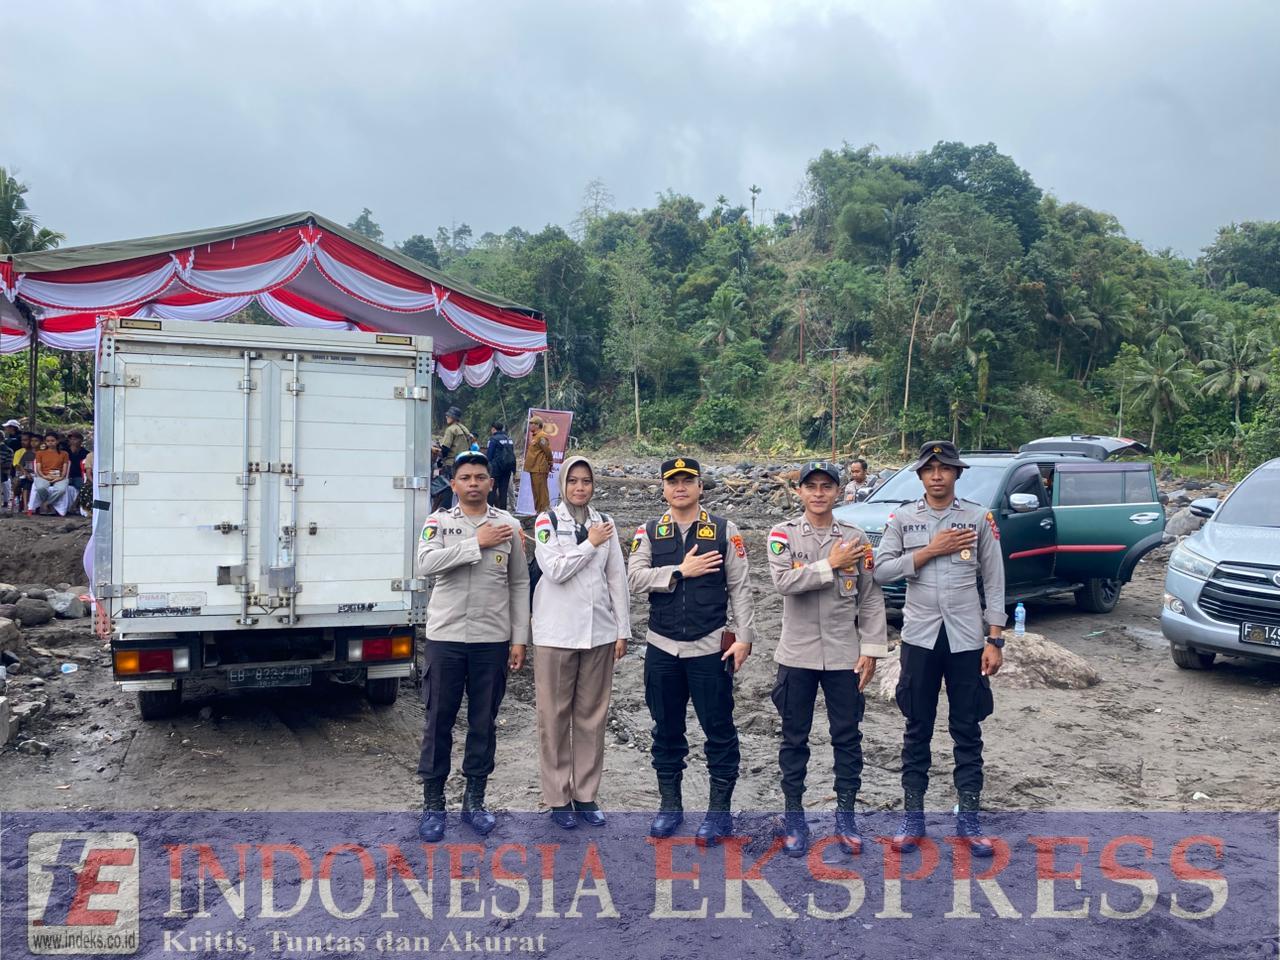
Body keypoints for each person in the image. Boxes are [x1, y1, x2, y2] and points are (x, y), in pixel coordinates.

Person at [873, 440, 1007, 857]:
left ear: (956, 473)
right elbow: (880, 571)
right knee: (917, 727)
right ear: (919, 475)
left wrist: (995, 638)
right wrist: (930, 551)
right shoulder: (903, 518)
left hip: (966, 640)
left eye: (944, 468)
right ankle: (913, 819)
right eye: (929, 469)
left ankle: (969, 819)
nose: (936, 475)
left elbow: (995, 580)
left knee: (967, 728)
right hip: (920, 638)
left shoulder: (978, 518)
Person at [628, 457, 754, 845]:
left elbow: (741, 587)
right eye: (673, 481)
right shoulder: (650, 531)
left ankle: (719, 814)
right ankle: (670, 806)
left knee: (719, 730)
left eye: (687, 480)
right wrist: (681, 570)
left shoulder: (723, 530)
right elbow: (634, 578)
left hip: (709, 647)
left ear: (701, 486)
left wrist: (745, 637)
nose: (680, 487)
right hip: (662, 647)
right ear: (663, 488)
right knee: (665, 730)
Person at [767, 461, 888, 857]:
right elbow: (783, 582)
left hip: (843, 656)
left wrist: (872, 649)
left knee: (848, 738)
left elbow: (870, 597)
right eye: (811, 486)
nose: (818, 493)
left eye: (826, 486)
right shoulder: (783, 534)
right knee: (794, 738)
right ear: (799, 491)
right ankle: (795, 818)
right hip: (797, 654)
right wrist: (829, 565)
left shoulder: (855, 538)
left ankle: (846, 818)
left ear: (838, 491)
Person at [416, 450, 530, 841]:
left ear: (491, 483)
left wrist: (519, 638)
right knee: (438, 722)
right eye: (465, 478)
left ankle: (474, 802)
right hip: (445, 639)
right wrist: (476, 543)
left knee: (483, 723)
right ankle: (434, 805)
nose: (473, 484)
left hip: (491, 641)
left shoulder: (509, 526)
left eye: (480, 477)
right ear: (454, 484)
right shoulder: (439, 522)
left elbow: (519, 583)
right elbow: (425, 565)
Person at [532, 455, 630, 829]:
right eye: (573, 480)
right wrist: (589, 544)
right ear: (562, 485)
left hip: (598, 634)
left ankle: (585, 794)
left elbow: (616, 577)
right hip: (556, 634)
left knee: (591, 717)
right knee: (554, 718)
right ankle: (558, 797)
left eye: (586, 481)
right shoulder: (547, 521)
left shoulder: (605, 523)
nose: (579, 487)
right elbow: (554, 570)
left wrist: (622, 630)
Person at [30, 432, 70, 516]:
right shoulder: (40, 453)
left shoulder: (64, 454)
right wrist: (44, 476)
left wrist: (60, 477)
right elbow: (38, 469)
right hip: (44, 476)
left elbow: (65, 469)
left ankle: (46, 503)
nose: (50, 443)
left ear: (57, 441)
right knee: (40, 488)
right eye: (48, 441)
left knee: (61, 490)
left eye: (52, 441)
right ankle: (49, 505)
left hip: (59, 477)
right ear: (45, 442)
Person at [523, 415, 553, 514]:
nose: (530, 425)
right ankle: (538, 512)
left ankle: (545, 512)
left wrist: (550, 462)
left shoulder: (541, 436)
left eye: (532, 423)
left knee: (542, 492)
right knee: (536, 492)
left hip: (539, 469)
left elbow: (547, 451)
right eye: (530, 423)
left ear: (537, 425)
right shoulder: (535, 436)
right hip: (533, 468)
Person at [486, 422, 517, 509]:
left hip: (495, 469)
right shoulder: (509, 439)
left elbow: (489, 455)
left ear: (493, 429)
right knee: (503, 491)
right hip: (507, 468)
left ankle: (490, 510)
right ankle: (503, 511)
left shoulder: (493, 439)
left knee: (492, 490)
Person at [65, 431, 89, 500]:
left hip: (79, 476)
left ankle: (78, 504)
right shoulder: (64, 452)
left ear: (81, 441)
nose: (72, 441)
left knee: (84, 488)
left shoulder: (85, 453)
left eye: (75, 439)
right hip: (65, 477)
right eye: (71, 439)